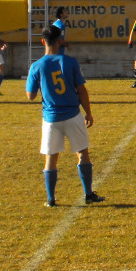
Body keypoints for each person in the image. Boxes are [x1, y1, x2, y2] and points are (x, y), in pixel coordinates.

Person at [26, 25, 103, 207]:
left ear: (43, 41)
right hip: (73, 115)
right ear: (60, 41)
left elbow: (30, 95)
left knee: (51, 157)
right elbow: (82, 90)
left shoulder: (37, 66)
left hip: (51, 118)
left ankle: (51, 199)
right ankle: (88, 193)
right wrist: (88, 112)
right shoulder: (70, 62)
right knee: (82, 153)